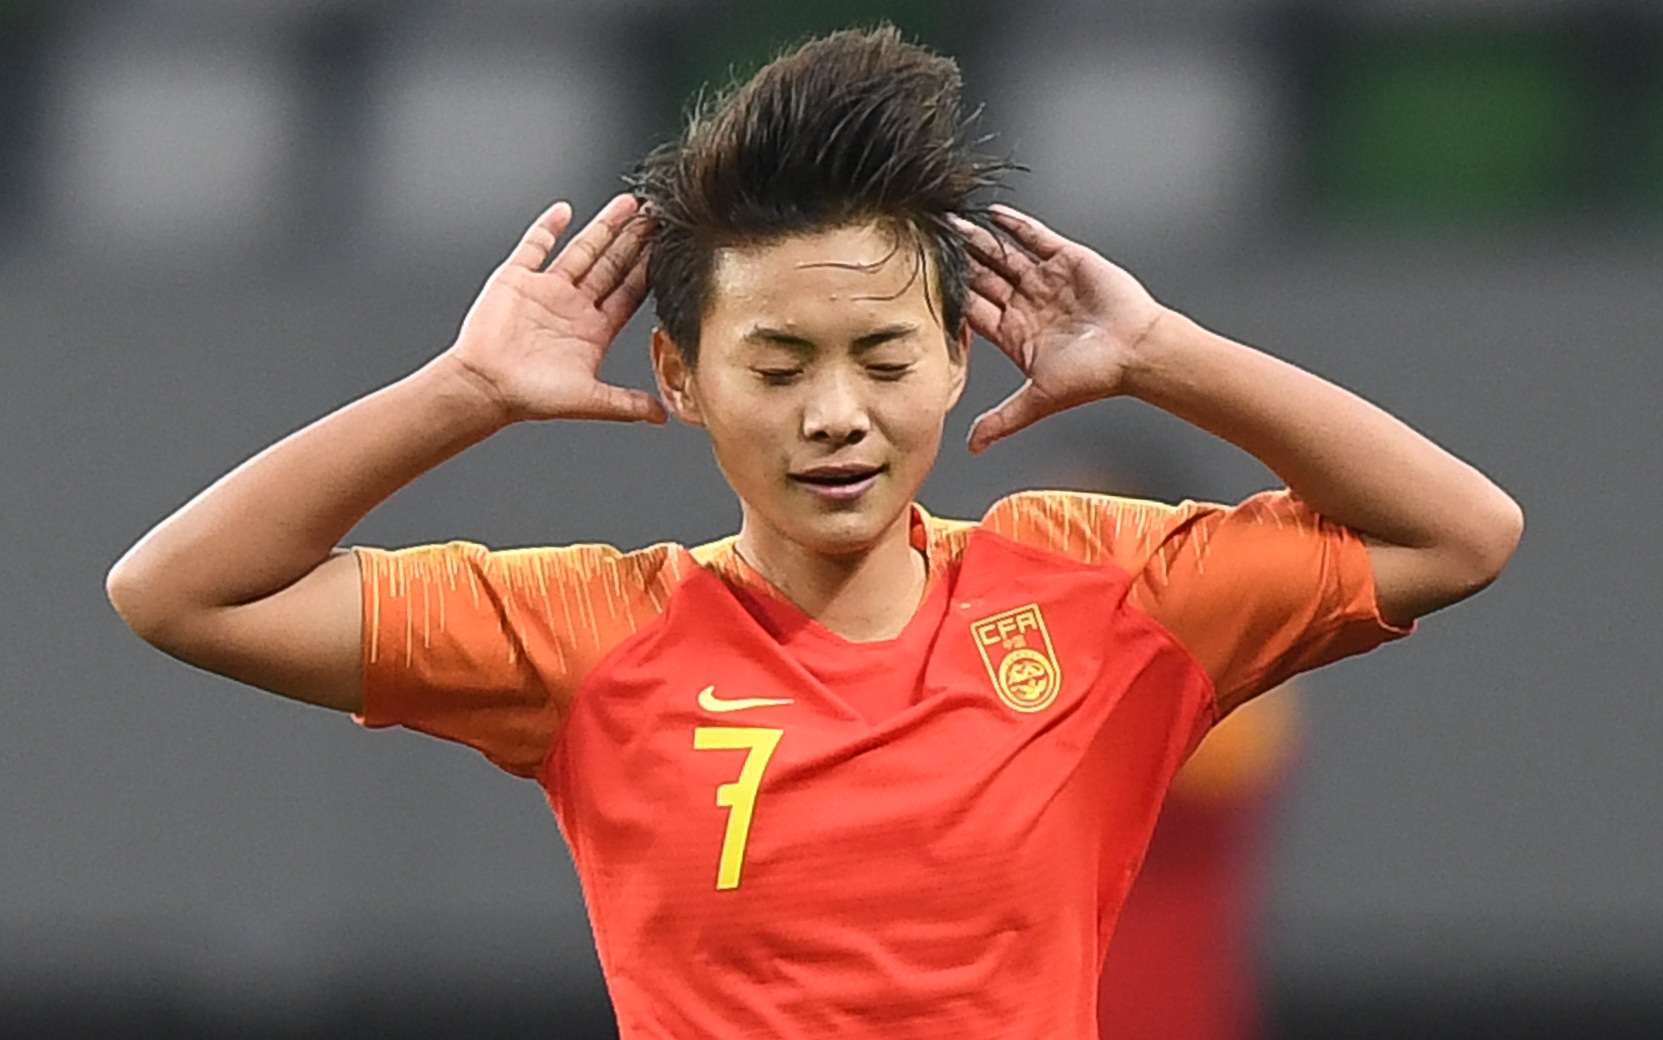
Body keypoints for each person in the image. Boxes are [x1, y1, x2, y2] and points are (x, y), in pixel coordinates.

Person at [105, 26, 1522, 1040]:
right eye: (777, 367)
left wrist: (1164, 356)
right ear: (679, 377)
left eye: (883, 358)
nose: (836, 416)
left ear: (958, 358)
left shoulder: (1096, 592)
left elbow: (1463, 534)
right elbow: (179, 594)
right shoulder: (592, 636)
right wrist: (463, 392)